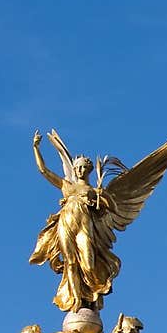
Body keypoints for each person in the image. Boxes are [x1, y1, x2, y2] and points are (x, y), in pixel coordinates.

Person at [29, 133, 120, 314]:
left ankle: (93, 293)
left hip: (84, 227)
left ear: (88, 170)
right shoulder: (66, 186)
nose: (79, 171)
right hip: (66, 224)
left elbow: (114, 208)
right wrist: (36, 148)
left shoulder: (93, 190)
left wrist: (102, 197)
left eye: (82, 168)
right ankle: (76, 298)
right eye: (77, 168)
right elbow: (43, 170)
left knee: (88, 262)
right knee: (70, 261)